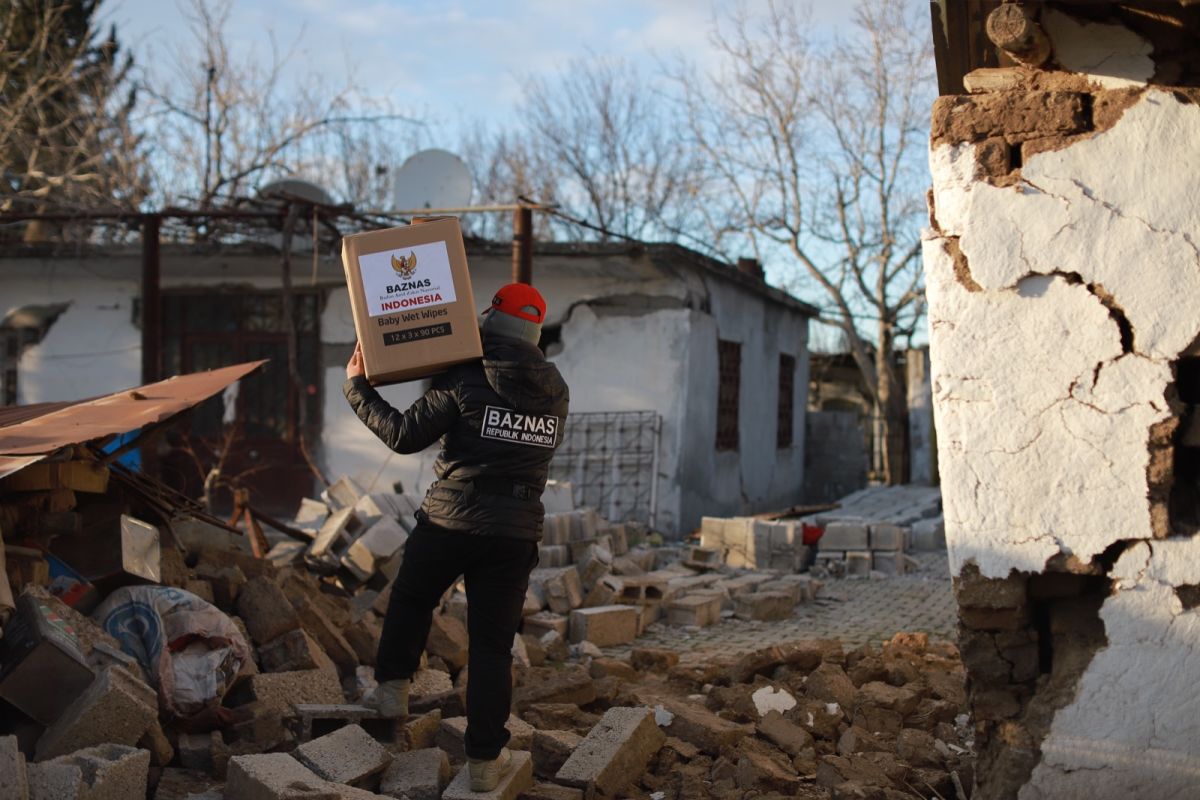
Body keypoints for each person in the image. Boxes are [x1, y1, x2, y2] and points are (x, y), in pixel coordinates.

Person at [343, 282, 569, 792]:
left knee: (412, 598)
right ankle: (486, 765)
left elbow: (404, 435)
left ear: (491, 319)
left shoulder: (467, 375)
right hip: (514, 531)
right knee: (492, 648)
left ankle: (392, 692)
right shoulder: (556, 389)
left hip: (452, 518)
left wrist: (357, 387)